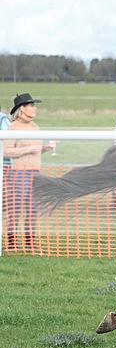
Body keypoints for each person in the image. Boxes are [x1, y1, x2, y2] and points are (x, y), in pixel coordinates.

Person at [3, 93, 55, 250]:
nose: (35, 109)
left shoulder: (35, 127)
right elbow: (6, 151)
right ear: (22, 109)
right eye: (31, 106)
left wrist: (45, 148)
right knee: (16, 209)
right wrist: (28, 149)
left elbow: (35, 151)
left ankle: (30, 241)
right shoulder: (13, 128)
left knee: (33, 209)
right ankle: (12, 242)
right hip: (19, 173)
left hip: (36, 172)